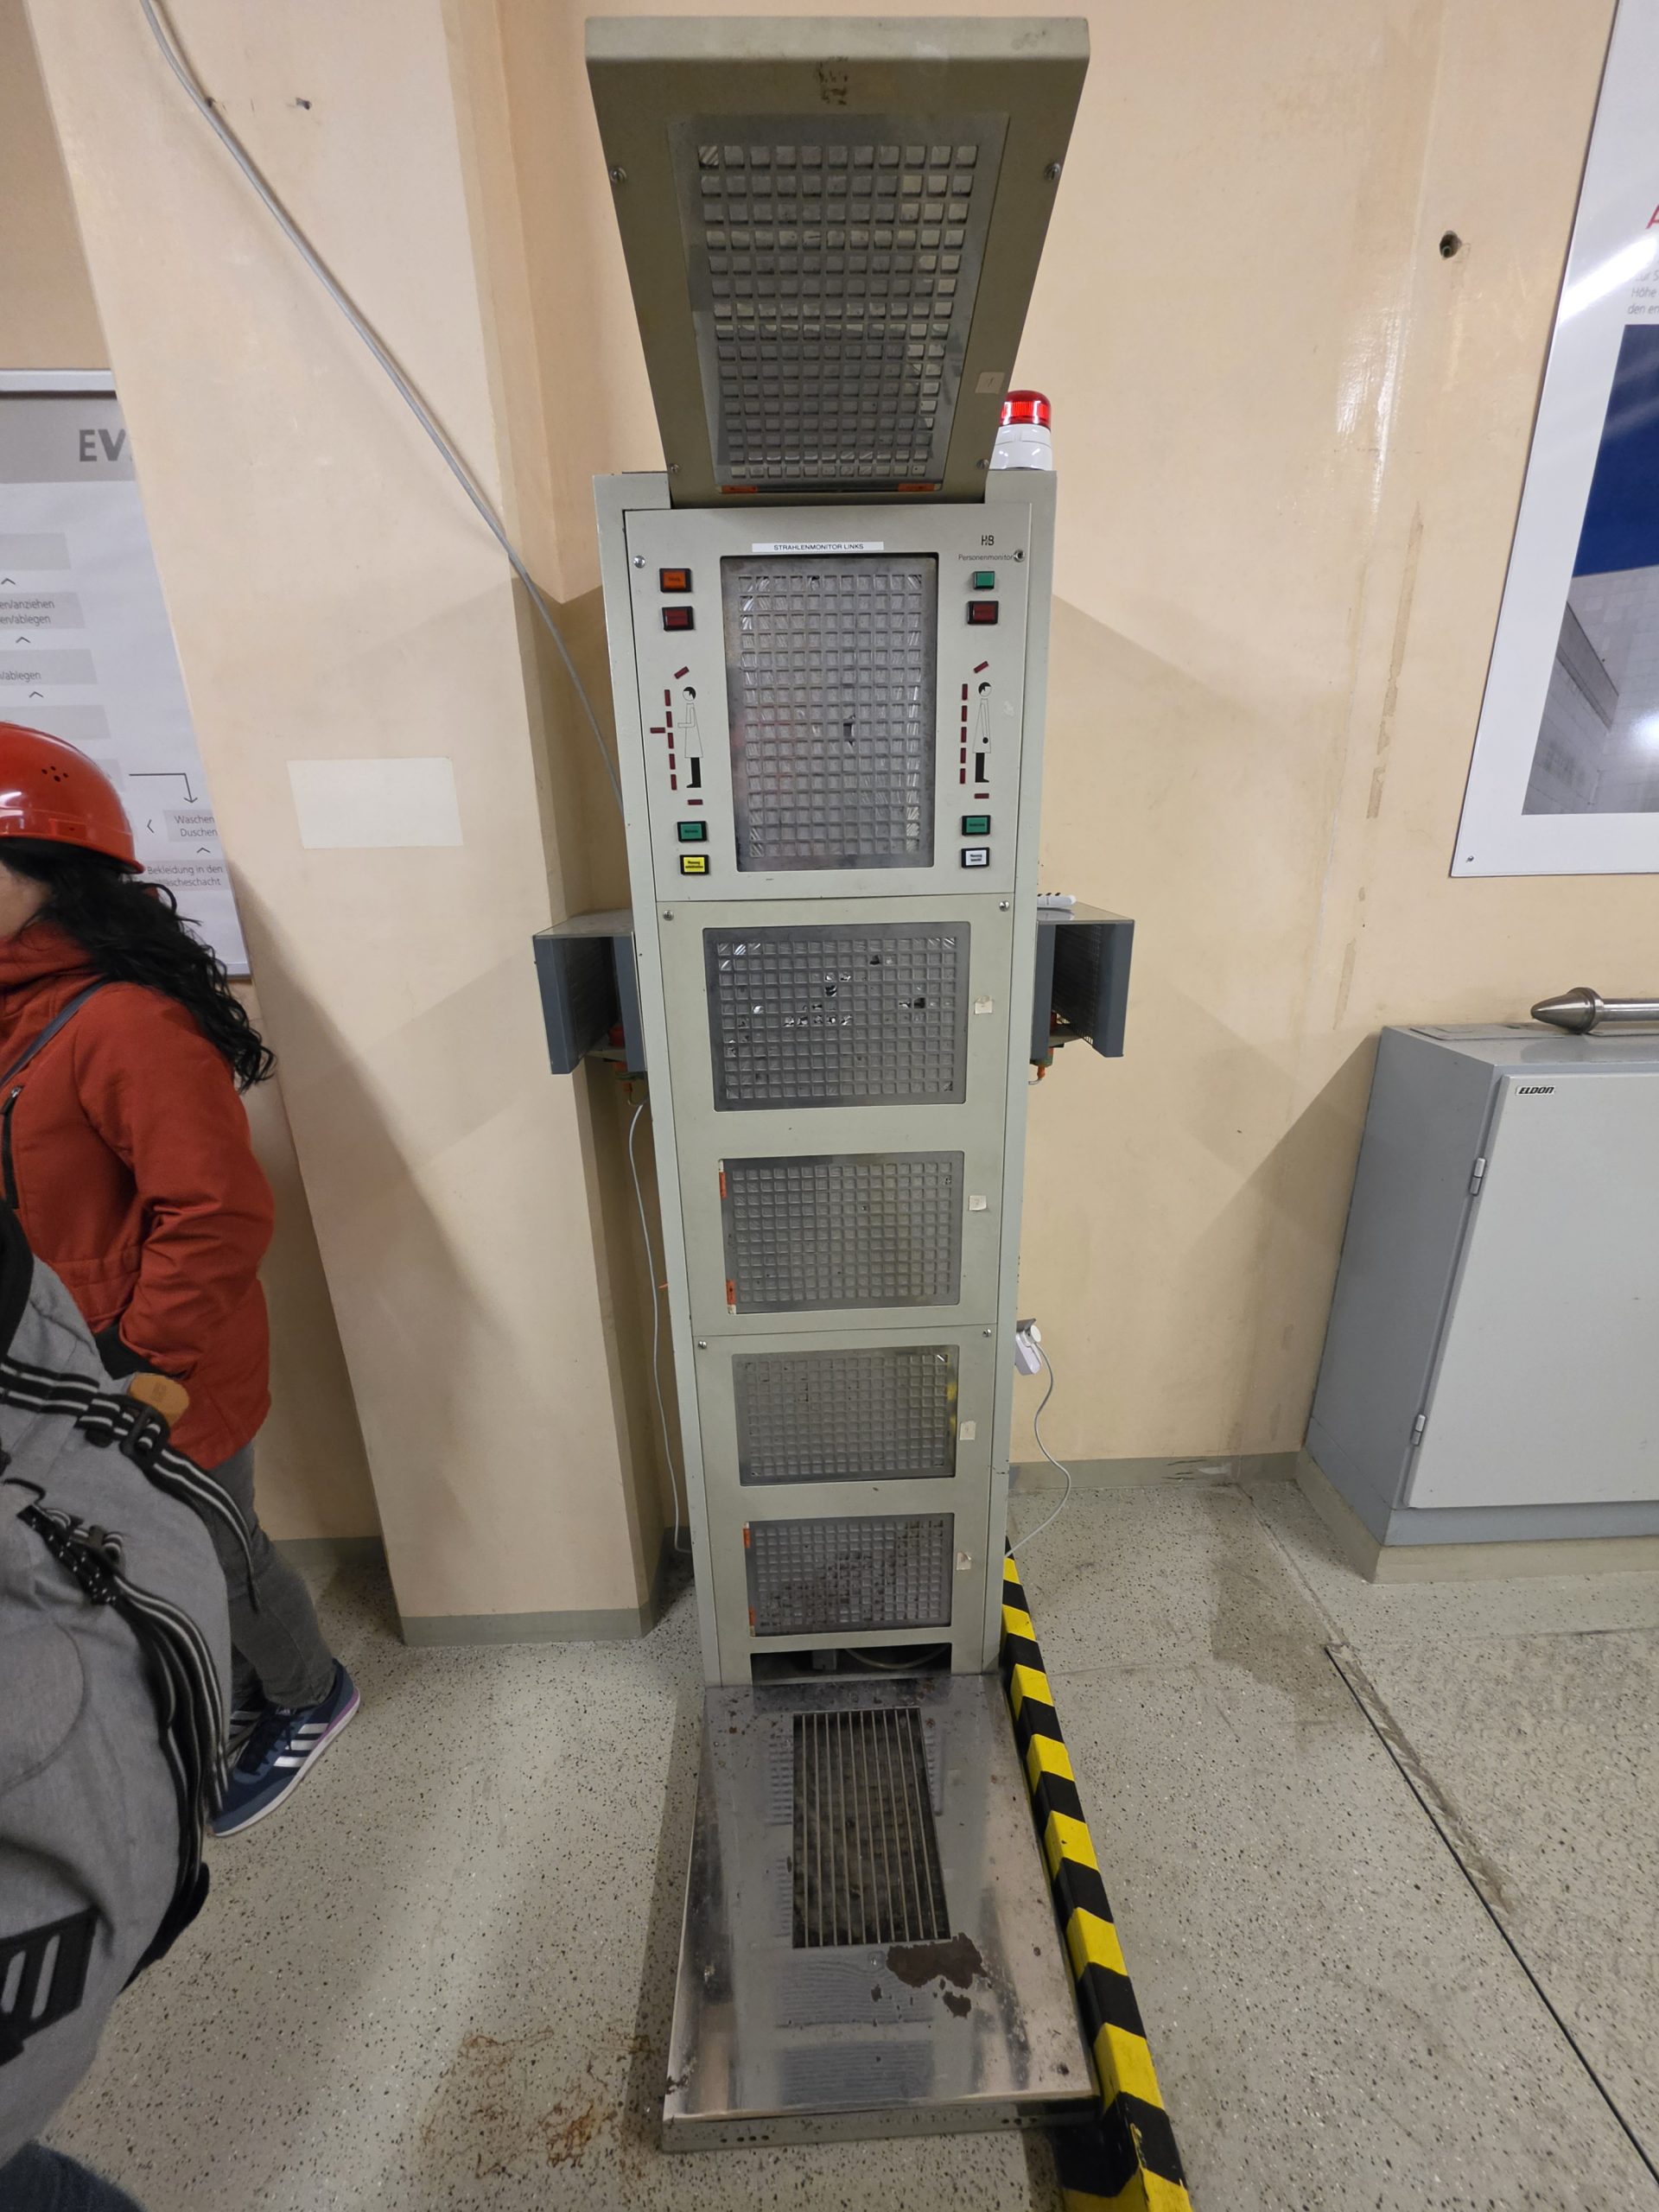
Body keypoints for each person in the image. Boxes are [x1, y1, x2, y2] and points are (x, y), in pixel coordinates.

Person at [0, 721, 357, 1835]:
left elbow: (215, 1213)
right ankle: (229, 1683)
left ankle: (307, 1694)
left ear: (52, 877)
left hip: (153, 1365)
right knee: (144, 1553)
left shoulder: (124, 1022)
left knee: (215, 1546)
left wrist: (140, 1361)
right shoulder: (10, 1012)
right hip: (56, 1367)